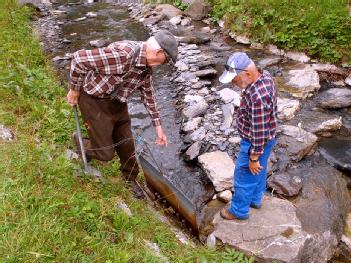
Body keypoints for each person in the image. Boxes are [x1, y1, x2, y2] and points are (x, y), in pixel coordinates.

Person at [66, 30, 178, 198]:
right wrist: (74, 90)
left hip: (118, 103)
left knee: (127, 145)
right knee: (105, 154)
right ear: (159, 52)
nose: (164, 64)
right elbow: (79, 59)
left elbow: (148, 95)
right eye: (166, 60)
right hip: (94, 101)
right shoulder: (123, 54)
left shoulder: (146, 68)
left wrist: (158, 127)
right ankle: (82, 142)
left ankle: (130, 179)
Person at [218, 52, 277, 220]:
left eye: (235, 80)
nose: (235, 84)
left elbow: (259, 131)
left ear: (248, 73)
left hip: (254, 143)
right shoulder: (265, 76)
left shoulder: (257, 97)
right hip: (270, 138)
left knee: (244, 174)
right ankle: (255, 199)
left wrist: (253, 157)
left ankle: (238, 211)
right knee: (260, 169)